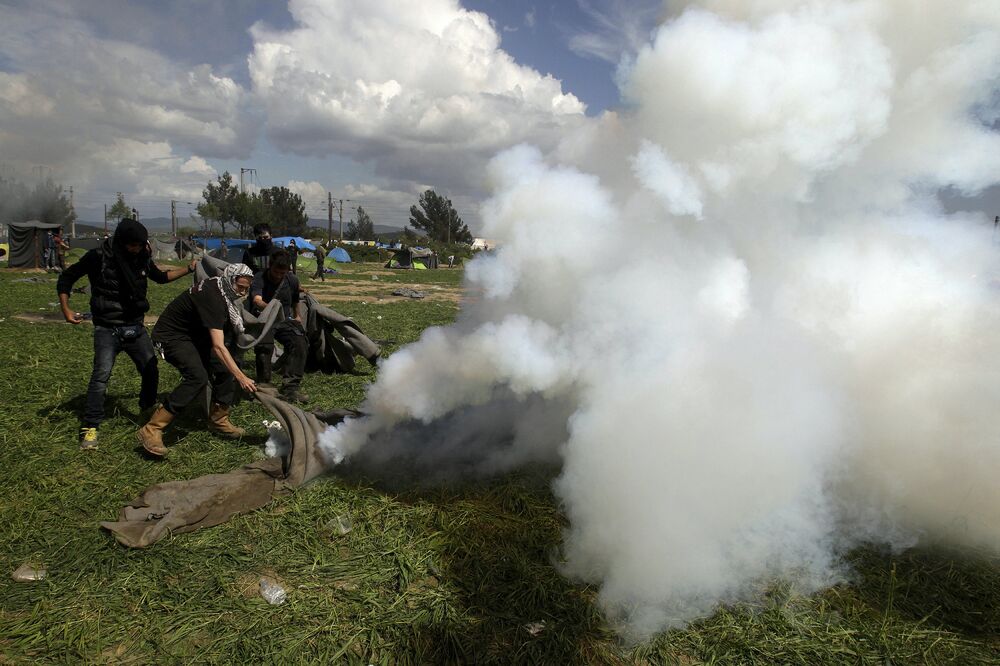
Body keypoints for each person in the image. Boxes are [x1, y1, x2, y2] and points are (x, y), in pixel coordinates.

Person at [57, 219, 197, 449]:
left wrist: (188, 269)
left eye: (140, 245)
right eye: (132, 245)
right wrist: (66, 309)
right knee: (101, 376)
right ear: (122, 242)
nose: (136, 249)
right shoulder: (98, 257)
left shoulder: (142, 256)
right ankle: (90, 426)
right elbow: (66, 278)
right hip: (107, 327)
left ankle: (147, 408)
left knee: (150, 369)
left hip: (134, 326)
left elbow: (161, 277)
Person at [137, 263, 257, 457]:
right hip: (171, 336)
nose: (242, 292)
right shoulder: (213, 297)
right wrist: (241, 377)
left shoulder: (221, 288)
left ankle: (218, 420)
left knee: (225, 369)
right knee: (197, 377)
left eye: (246, 288)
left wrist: (235, 371)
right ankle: (152, 428)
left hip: (194, 336)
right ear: (230, 279)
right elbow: (218, 346)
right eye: (240, 287)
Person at [250, 250, 308, 403]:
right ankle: (264, 385)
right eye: (276, 271)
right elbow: (257, 300)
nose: (278, 275)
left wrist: (298, 316)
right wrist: (272, 308)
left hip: (284, 320)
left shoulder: (292, 280)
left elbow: (295, 299)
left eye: (283, 273)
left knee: (299, 343)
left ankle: (291, 387)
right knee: (265, 346)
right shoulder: (259, 278)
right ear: (270, 266)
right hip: (263, 319)